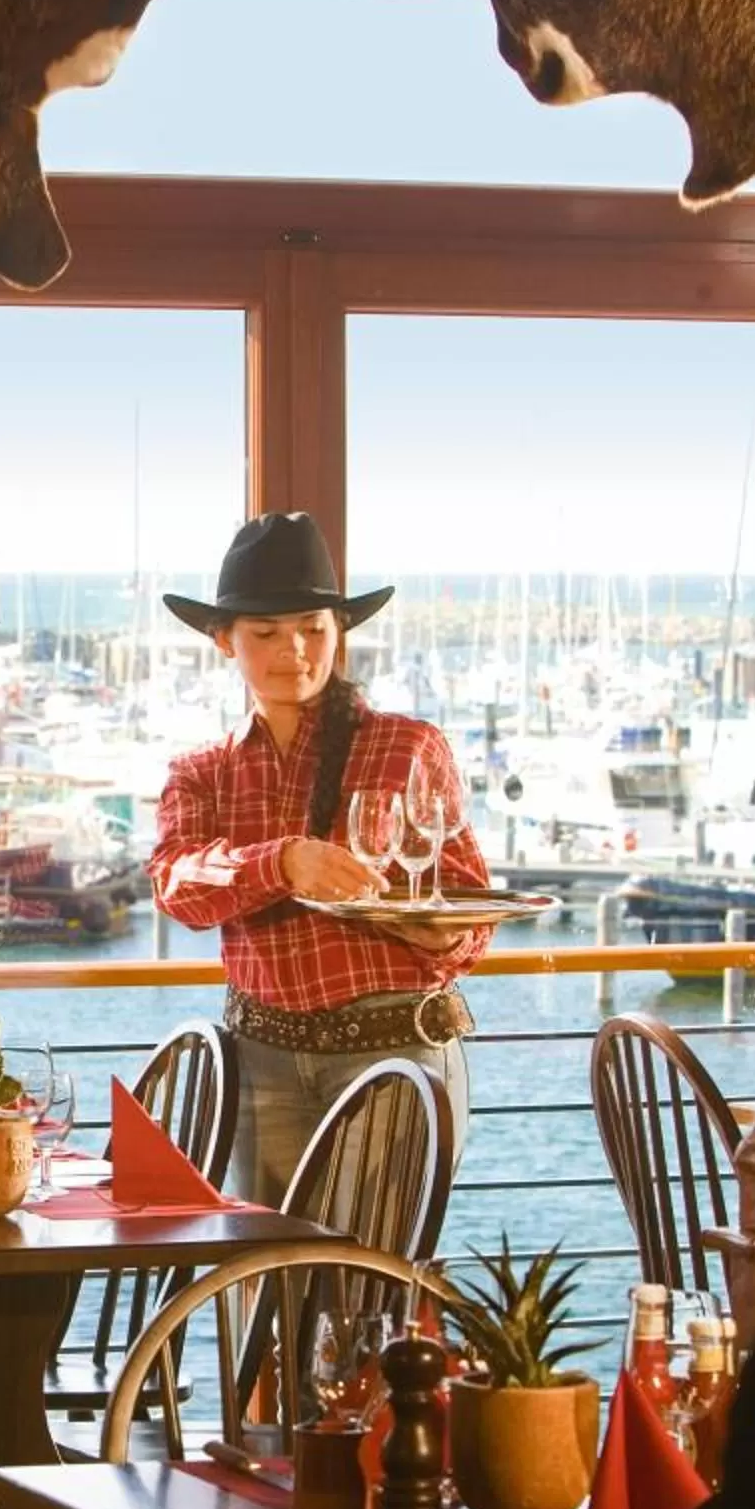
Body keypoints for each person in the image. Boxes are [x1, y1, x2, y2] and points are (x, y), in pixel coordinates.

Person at [148, 512, 492, 1206]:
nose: (296, 651)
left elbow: (468, 900)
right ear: (224, 642)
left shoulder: (408, 745)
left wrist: (446, 934)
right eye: (267, 634)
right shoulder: (201, 772)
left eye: (313, 629)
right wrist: (283, 863)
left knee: (369, 1293)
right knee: (268, 1289)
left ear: (340, 631)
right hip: (261, 1062)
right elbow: (175, 885)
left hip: (399, 1056)